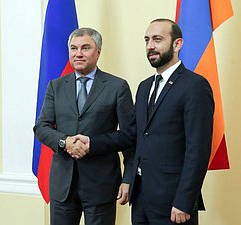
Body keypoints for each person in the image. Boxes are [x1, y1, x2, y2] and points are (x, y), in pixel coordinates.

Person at [67, 19, 215, 225]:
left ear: (177, 44)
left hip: (173, 201)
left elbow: (198, 151)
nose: (150, 46)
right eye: (147, 40)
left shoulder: (195, 86)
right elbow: (131, 134)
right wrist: (91, 142)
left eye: (157, 39)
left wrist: (184, 200)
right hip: (141, 198)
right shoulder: (145, 87)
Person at [33, 27, 134, 225]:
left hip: (101, 185)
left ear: (98, 52)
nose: (78, 53)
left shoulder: (117, 87)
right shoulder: (56, 86)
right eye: (73, 48)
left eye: (85, 48)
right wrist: (65, 142)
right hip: (63, 186)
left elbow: (129, 135)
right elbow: (42, 127)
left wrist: (128, 178)